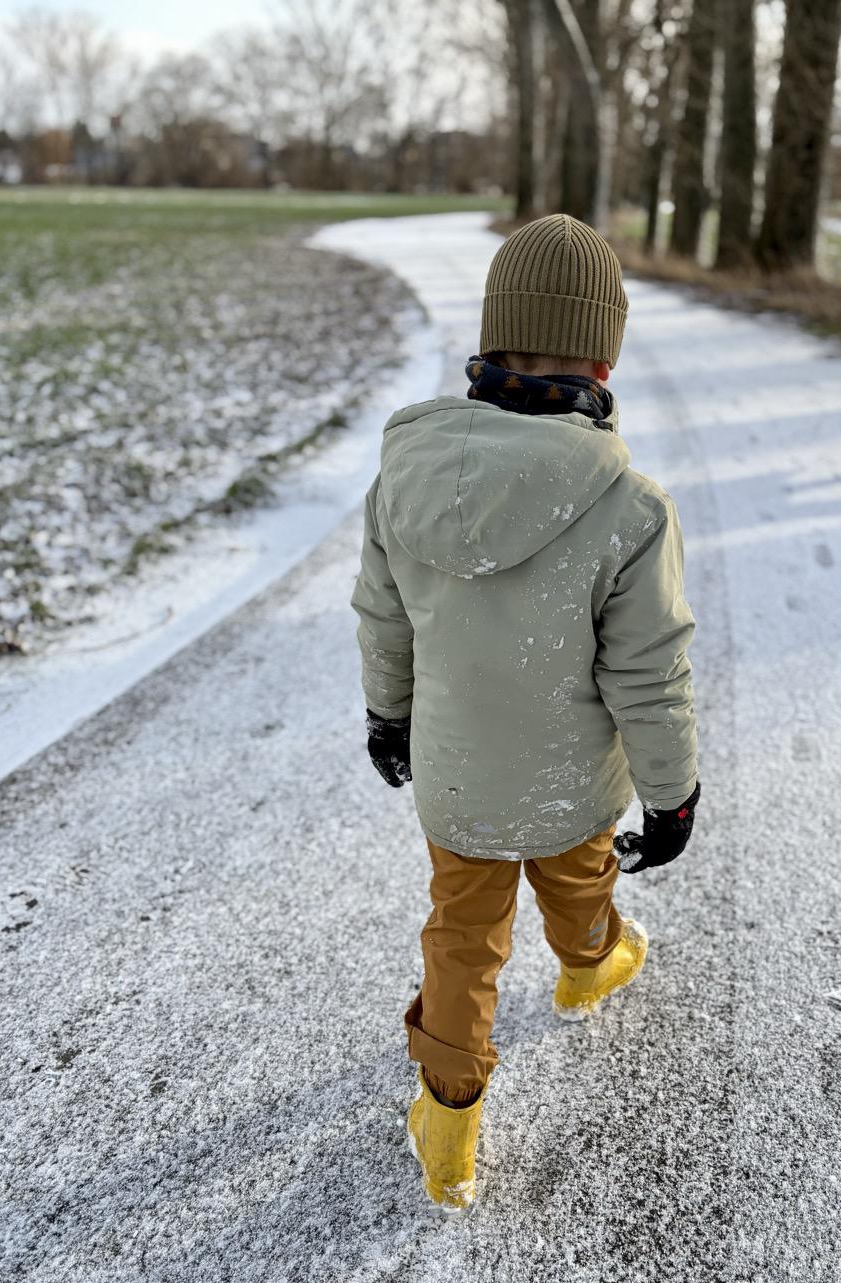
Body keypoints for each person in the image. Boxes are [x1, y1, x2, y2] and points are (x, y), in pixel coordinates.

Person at [351, 214, 700, 1211]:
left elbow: (385, 618)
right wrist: (670, 798)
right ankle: (589, 966)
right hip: (570, 784)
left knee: (462, 940)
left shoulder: (404, 478)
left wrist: (387, 717)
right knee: (580, 878)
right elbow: (648, 675)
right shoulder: (630, 509)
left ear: (493, 338)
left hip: (457, 781)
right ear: (604, 358)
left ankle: (449, 1123)